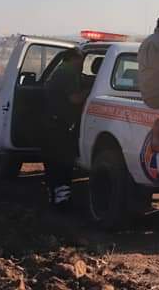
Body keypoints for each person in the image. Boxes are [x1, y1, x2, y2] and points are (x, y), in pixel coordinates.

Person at [42, 47, 91, 210]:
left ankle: (53, 195)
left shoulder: (59, 71)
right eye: (81, 60)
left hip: (50, 122)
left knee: (52, 161)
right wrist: (89, 91)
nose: (82, 64)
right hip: (60, 125)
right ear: (74, 58)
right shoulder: (68, 73)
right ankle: (62, 201)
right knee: (63, 162)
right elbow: (75, 99)